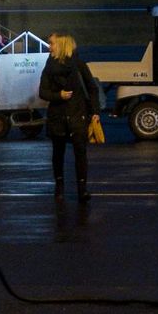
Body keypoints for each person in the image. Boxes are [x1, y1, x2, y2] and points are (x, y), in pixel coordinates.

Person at [41, 31, 103, 203]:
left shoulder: (78, 64)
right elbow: (42, 91)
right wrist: (58, 95)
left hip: (77, 114)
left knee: (80, 153)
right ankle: (59, 187)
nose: (49, 46)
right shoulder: (49, 66)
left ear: (61, 44)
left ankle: (82, 189)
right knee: (58, 153)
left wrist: (95, 112)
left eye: (52, 43)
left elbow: (92, 88)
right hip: (58, 116)